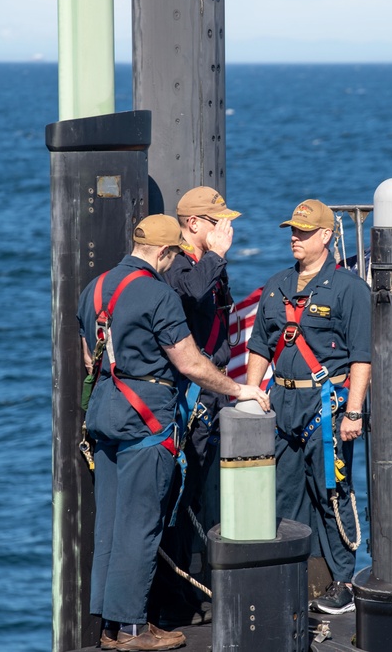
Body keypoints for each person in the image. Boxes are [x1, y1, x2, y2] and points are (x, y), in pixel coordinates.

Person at [78, 214, 270, 652]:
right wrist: (238, 387)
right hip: (146, 418)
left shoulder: (95, 288)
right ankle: (132, 630)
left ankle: (108, 627)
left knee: (109, 523)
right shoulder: (159, 294)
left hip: (105, 414)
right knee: (142, 525)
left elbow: (90, 357)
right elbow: (190, 363)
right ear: (165, 253)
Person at [245, 199, 371, 615]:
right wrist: (250, 394)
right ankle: (297, 574)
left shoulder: (349, 289)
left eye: (302, 232)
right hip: (281, 404)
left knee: (330, 492)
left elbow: (361, 357)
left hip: (326, 407)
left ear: (326, 237)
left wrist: (353, 412)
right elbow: (261, 343)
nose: (294, 239)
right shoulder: (278, 284)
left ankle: (344, 581)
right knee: (284, 495)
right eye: (291, 231)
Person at [151, 186, 240, 625]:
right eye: (216, 221)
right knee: (180, 500)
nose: (225, 229)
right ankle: (171, 596)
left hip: (210, 394)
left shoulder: (205, 264)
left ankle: (185, 585)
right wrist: (217, 256)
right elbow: (192, 291)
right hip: (190, 399)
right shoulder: (182, 267)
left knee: (197, 498)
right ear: (192, 224)